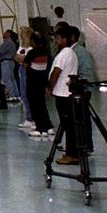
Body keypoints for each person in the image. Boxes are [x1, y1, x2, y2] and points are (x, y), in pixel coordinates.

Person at [47, 27, 81, 165]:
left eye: (57, 38)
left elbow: (56, 72)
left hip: (63, 94)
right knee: (69, 125)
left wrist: (50, 87)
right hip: (66, 93)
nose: (55, 40)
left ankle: (71, 154)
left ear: (65, 39)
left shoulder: (64, 53)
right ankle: (72, 152)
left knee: (68, 125)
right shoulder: (70, 53)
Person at [18, 28, 54, 137]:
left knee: (34, 106)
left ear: (33, 41)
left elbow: (25, 64)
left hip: (32, 82)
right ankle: (48, 126)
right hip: (42, 81)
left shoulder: (32, 52)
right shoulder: (46, 52)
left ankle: (40, 128)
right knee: (42, 105)